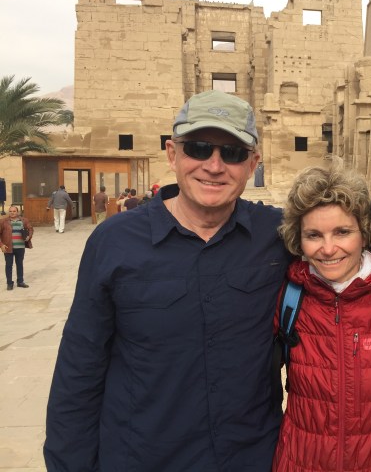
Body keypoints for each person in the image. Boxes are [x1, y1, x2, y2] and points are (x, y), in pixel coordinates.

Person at [44, 90, 291, 471]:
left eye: (232, 153)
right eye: (198, 148)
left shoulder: (277, 235)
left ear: (252, 163)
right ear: (173, 154)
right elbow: (80, 369)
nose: (214, 166)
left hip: (252, 457)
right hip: (144, 459)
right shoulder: (115, 242)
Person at [272, 162, 371, 472]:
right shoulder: (289, 297)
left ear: (363, 233)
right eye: (314, 235)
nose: (329, 249)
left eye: (342, 232)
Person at [0, 205, 33, 290]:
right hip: (8, 247)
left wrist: (28, 236)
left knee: (19, 264)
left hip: (20, 247)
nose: (12, 213)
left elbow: (30, 229)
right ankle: (9, 283)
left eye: (14, 211)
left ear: (17, 212)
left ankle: (20, 282)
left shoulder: (24, 220)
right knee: (8, 265)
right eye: (10, 211)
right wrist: (1, 245)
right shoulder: (3, 221)